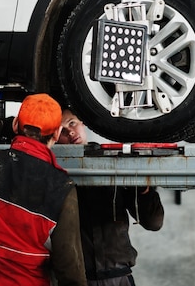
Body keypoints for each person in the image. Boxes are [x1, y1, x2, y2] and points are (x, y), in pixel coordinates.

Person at [0, 94, 87, 286]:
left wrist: (2, 124)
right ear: (56, 134)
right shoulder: (61, 189)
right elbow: (70, 273)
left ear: (16, 126)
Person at [58, 108, 164, 286]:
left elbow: (153, 222)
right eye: (61, 131)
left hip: (119, 277)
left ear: (83, 123)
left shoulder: (112, 164)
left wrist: (143, 189)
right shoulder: (54, 175)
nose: (70, 132)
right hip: (76, 279)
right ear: (53, 137)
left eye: (72, 123)